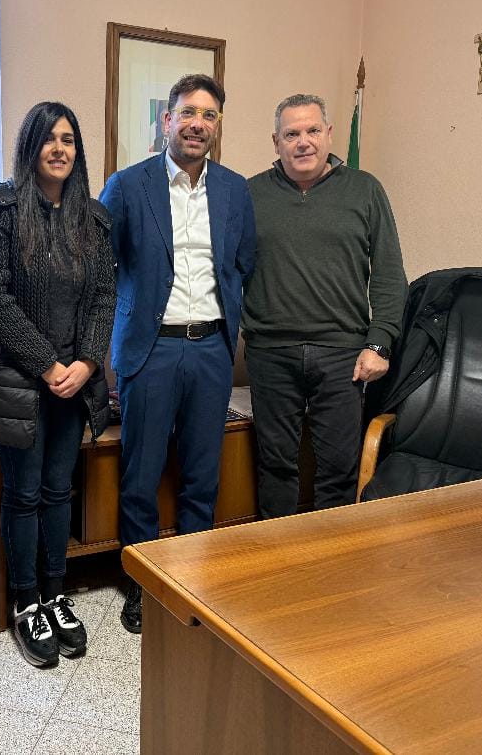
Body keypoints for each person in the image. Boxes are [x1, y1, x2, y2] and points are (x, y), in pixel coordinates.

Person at [100, 74, 255, 635]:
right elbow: (102, 266)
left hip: (211, 348)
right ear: (166, 121)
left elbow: (243, 263)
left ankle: (192, 578)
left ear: (217, 126)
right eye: (188, 112)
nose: (197, 124)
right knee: (141, 474)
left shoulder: (235, 190)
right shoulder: (127, 185)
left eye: (209, 115)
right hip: (151, 351)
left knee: (201, 473)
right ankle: (143, 584)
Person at [0, 101, 115, 667]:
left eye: (69, 139)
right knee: (23, 493)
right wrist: (48, 365)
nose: (59, 149)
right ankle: (26, 600)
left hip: (75, 384)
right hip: (18, 382)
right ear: (30, 146)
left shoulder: (92, 219)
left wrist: (87, 362)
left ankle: (55, 592)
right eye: (49, 138)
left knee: (58, 490)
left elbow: (104, 298)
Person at [243, 93, 407, 519]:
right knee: (275, 466)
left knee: (337, 470)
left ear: (329, 134)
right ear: (276, 142)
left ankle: (328, 554)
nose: (303, 142)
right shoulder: (250, 194)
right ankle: (276, 551)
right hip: (270, 353)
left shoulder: (365, 190)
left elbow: (389, 275)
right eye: (291, 134)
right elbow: (229, 269)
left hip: (343, 356)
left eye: (313, 130)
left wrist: (380, 343)